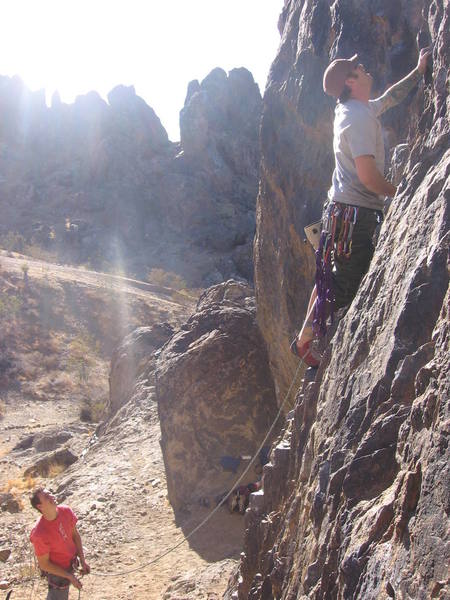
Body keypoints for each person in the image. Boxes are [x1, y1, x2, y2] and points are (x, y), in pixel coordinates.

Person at [291, 47, 431, 367]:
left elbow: (390, 98)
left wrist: (419, 70)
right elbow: (368, 177)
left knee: (328, 275)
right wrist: (400, 193)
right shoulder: (357, 118)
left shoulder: (355, 109)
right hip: (356, 216)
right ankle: (305, 341)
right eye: (358, 67)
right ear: (352, 82)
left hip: (340, 213)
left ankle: (303, 339)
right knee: (346, 284)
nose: (364, 67)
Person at [30, 488, 90, 599]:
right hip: (57, 572)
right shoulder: (39, 533)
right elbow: (44, 564)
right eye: (47, 497)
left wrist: (82, 561)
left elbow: (75, 536)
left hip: (71, 562)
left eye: (50, 493)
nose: (52, 496)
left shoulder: (66, 511)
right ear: (40, 506)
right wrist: (69, 577)